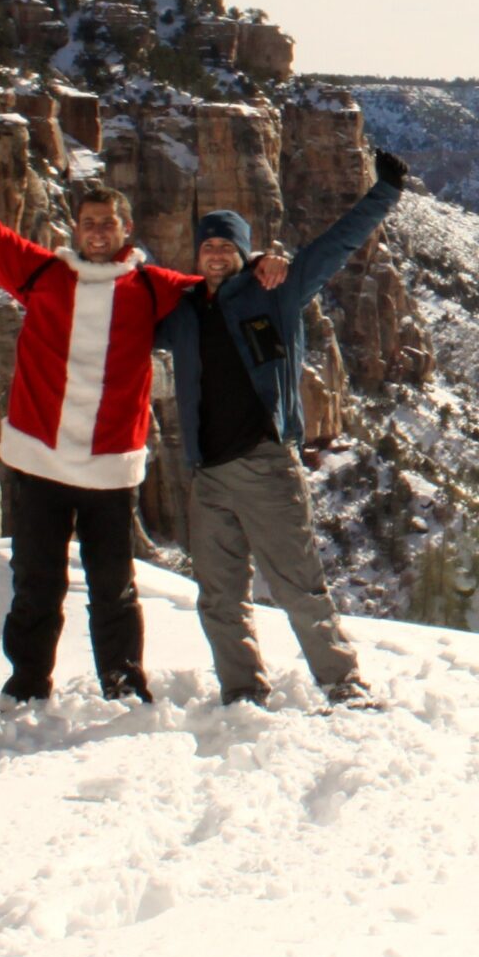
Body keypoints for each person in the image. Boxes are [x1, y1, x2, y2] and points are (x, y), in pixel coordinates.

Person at [0, 109, 287, 706]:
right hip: (39, 465)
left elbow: (222, 285)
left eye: (108, 223)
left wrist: (264, 261)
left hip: (110, 469)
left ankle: (124, 683)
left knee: (115, 587)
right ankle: (26, 688)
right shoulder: (40, 274)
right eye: (89, 223)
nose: (98, 232)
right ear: (76, 228)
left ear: (125, 228)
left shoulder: (153, 286)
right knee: (35, 585)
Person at [160, 147, 408, 708]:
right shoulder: (182, 311)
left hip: (267, 464)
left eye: (227, 245)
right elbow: (124, 310)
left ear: (244, 252)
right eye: (208, 245)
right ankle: (242, 691)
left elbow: (336, 247)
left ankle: (342, 683)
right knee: (219, 597)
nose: (217, 253)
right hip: (207, 474)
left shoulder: (278, 291)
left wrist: (385, 191)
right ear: (198, 253)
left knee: (299, 585)